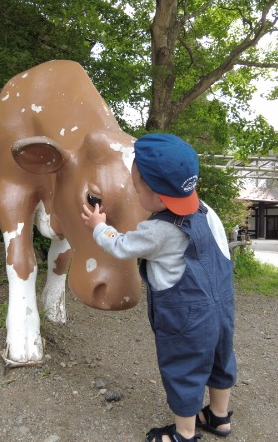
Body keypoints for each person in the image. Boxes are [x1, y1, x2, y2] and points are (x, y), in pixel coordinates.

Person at [81, 133, 237, 442]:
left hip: (186, 318)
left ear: (154, 194)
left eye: (136, 187)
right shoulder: (207, 211)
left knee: (183, 370)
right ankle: (219, 418)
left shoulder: (158, 231)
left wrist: (99, 226)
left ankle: (184, 434)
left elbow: (122, 246)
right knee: (222, 360)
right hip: (222, 307)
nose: (135, 192)